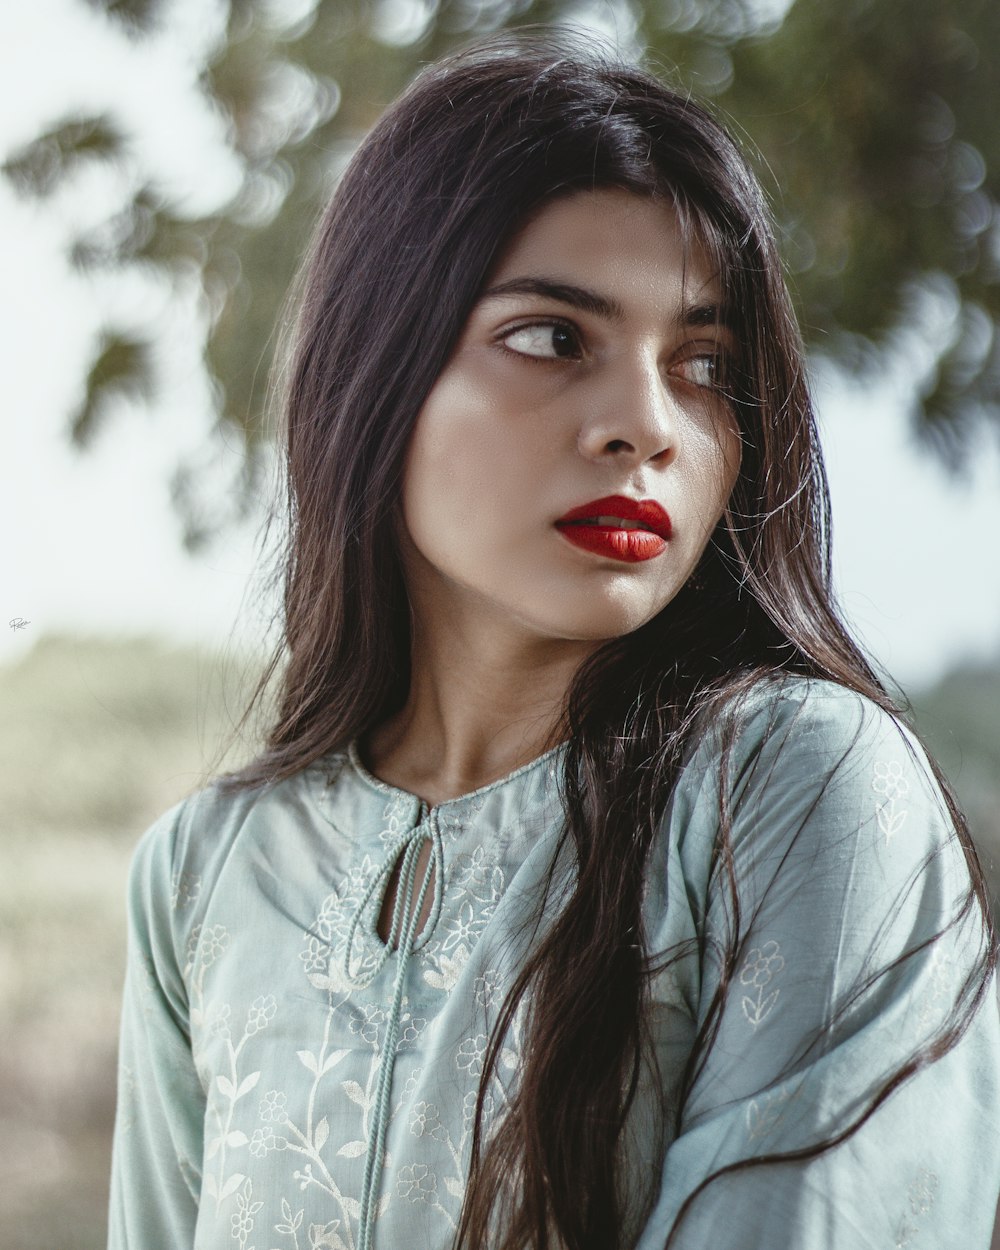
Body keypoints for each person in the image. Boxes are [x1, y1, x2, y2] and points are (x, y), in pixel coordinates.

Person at [107, 30, 1000, 1250]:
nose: (646, 424)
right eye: (551, 337)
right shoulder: (204, 874)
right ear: (375, 369)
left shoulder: (790, 791)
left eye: (703, 363)